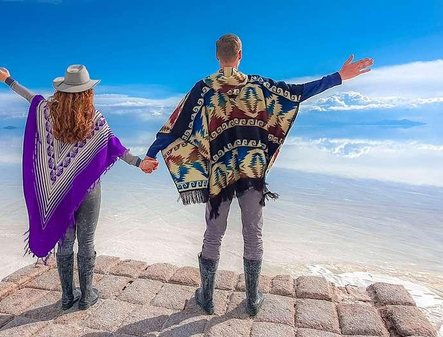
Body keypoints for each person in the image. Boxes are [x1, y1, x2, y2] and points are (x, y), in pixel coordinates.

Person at [144, 34, 372, 316]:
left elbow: (177, 127)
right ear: (240, 55)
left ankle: (207, 298)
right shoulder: (259, 86)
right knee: (253, 232)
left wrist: (152, 153)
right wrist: (338, 76)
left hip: (221, 176)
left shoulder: (203, 88)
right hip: (252, 172)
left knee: (214, 232)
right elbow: (298, 92)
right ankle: (252, 300)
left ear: (217, 56)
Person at [0, 64, 157, 311]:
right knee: (86, 241)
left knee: (65, 242)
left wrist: (8, 80)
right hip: (88, 190)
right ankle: (87, 295)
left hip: (57, 194)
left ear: (62, 89)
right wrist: (139, 163)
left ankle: (67, 296)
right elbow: (114, 146)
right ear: (87, 91)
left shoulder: (46, 111)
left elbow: (29, 97)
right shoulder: (94, 117)